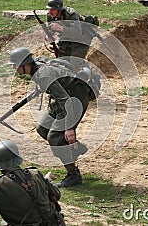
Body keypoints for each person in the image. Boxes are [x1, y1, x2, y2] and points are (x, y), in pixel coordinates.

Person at [7, 47, 91, 187]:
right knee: (42, 129)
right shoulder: (39, 63)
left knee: (55, 138)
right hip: (63, 97)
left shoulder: (43, 75)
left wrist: (70, 128)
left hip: (75, 99)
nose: (14, 68)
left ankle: (73, 175)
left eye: (16, 65)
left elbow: (66, 101)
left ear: (25, 64)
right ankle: (74, 148)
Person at [45, 0, 93, 70]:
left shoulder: (71, 14)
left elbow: (77, 33)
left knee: (74, 66)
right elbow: (50, 30)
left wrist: (60, 28)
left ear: (59, 10)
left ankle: (87, 73)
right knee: (61, 63)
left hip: (81, 39)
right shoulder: (50, 16)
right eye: (49, 9)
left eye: (53, 10)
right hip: (66, 39)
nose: (50, 12)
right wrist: (48, 36)